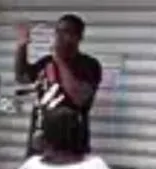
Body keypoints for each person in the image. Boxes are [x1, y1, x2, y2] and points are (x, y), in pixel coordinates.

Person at [15, 14, 103, 154]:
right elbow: (23, 77)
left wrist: (59, 60)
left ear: (79, 37)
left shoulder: (89, 65)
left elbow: (79, 98)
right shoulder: (47, 62)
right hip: (41, 137)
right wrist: (22, 46)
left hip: (71, 141)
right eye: (58, 31)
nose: (59, 37)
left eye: (66, 32)